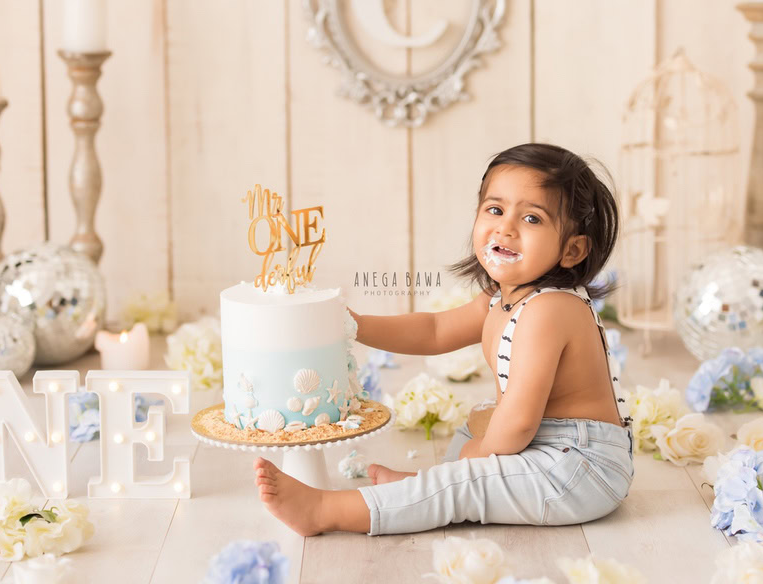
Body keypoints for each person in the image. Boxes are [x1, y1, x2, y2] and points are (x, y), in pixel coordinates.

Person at [253, 142, 633, 536]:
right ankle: (426, 489)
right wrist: (355, 325)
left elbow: (519, 422)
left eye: (532, 218)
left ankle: (325, 509)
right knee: (476, 428)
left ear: (572, 250)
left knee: (473, 465)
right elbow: (434, 331)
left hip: (579, 468)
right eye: (495, 210)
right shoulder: (500, 297)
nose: (505, 228)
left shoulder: (549, 310)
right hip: (545, 444)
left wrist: (478, 457)